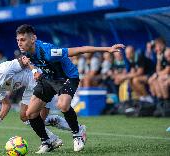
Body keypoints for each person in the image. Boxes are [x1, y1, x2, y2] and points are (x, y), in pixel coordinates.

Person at [16, 24, 125, 153]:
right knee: (30, 113)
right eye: (17, 40)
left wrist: (107, 49)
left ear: (33, 39)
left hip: (67, 77)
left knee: (62, 105)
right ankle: (47, 141)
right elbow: (31, 63)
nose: (19, 43)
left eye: (22, 40)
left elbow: (79, 50)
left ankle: (78, 133)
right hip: (48, 78)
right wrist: (34, 70)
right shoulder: (26, 53)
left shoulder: (48, 51)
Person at [0, 57, 86, 149]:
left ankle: (58, 137)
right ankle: (52, 136)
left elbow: (24, 60)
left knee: (37, 119)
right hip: (29, 87)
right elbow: (6, 104)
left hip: (41, 82)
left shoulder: (4, 70)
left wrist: (35, 72)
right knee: (25, 117)